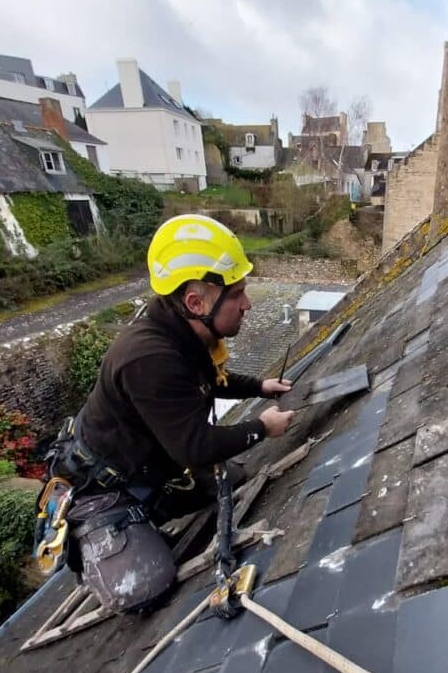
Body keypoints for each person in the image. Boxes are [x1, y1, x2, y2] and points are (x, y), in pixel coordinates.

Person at [49, 214, 294, 613]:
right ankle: (102, 545)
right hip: (105, 491)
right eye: (237, 294)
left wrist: (258, 387)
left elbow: (204, 380)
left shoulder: (181, 330)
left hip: (153, 468)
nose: (247, 304)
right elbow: (196, 448)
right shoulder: (149, 358)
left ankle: (148, 518)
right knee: (145, 588)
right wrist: (262, 428)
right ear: (197, 302)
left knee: (234, 479)